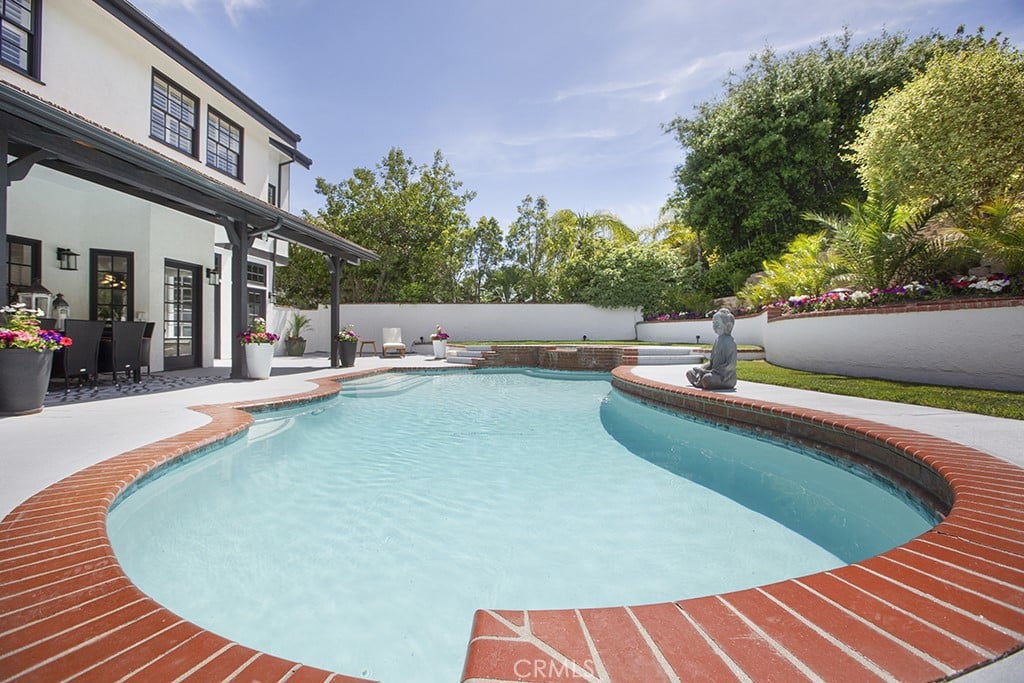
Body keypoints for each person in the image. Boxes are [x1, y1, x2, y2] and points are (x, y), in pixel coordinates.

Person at [686, 308, 738, 390]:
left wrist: (710, 372)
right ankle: (701, 381)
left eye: (717, 323)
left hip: (725, 377)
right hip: (713, 373)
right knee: (690, 373)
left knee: (707, 379)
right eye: (713, 323)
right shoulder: (717, 341)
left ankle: (702, 381)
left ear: (727, 325)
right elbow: (711, 362)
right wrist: (702, 368)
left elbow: (730, 365)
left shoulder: (730, 342)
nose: (714, 326)